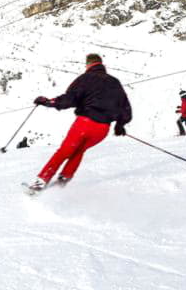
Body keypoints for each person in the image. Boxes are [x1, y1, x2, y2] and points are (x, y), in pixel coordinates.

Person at [27, 53, 132, 192]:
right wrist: (120, 125)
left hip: (85, 123)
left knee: (64, 151)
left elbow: (69, 99)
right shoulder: (115, 82)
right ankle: (64, 178)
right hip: (102, 129)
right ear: (101, 65)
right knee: (79, 150)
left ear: (88, 65)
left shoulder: (85, 78)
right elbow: (125, 106)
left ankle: (40, 182)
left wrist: (48, 102)